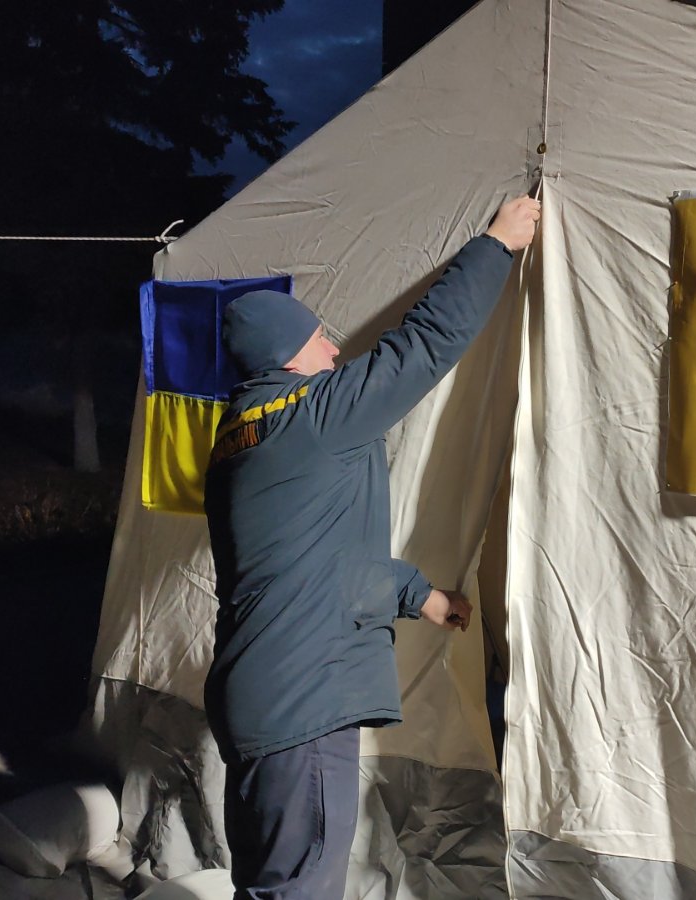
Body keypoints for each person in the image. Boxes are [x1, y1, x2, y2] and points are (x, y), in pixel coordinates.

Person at [202, 195, 541, 899]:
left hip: (259, 699)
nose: (334, 349)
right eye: (320, 338)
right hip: (303, 705)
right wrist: (497, 245)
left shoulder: (239, 438)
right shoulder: (311, 416)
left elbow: (318, 568)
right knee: (299, 890)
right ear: (287, 354)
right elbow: (423, 345)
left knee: (270, 883)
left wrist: (424, 597)